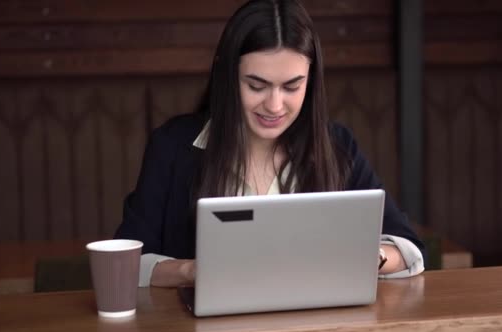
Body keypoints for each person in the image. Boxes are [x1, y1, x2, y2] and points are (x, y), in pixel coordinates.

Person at [115, 0, 425, 288]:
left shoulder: (335, 145)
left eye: (292, 86)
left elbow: (409, 250)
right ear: (227, 75)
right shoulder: (173, 146)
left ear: (311, 81)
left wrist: (371, 257)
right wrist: (193, 271)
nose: (275, 105)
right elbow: (126, 263)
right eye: (256, 85)